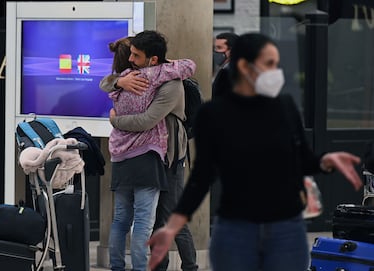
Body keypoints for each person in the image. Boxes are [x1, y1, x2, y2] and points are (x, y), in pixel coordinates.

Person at [147, 32, 363, 271]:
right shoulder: (213, 114)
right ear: (244, 66)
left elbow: (303, 161)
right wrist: (172, 226)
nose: (275, 71)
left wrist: (325, 161)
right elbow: (202, 176)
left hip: (286, 229)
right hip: (235, 230)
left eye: (276, 64)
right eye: (269, 64)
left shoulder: (285, 106)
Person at [101, 30, 199, 271]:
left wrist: (115, 121)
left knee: (171, 215)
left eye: (136, 55)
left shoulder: (170, 84)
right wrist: (118, 81)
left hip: (170, 158)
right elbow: (105, 82)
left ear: (153, 59)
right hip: (150, 156)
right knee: (149, 220)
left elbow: (148, 119)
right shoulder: (130, 77)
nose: (131, 60)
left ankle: (190, 266)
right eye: (130, 54)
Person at [212, 32, 239, 99]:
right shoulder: (224, 69)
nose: (215, 51)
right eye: (215, 48)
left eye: (219, 48)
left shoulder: (235, 72)